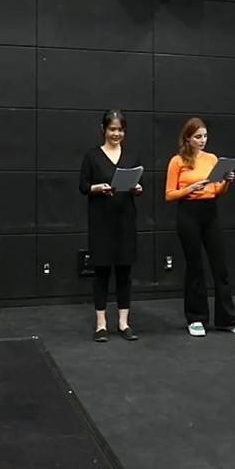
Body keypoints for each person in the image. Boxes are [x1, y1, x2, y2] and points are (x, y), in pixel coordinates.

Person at [164, 117, 235, 337]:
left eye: (204, 136)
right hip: (188, 213)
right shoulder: (177, 161)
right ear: (188, 138)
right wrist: (190, 189)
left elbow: (216, 191)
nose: (202, 140)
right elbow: (169, 194)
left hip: (210, 212)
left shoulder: (212, 159)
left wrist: (226, 181)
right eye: (198, 137)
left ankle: (228, 319)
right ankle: (196, 318)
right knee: (195, 267)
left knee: (220, 266)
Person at [78, 110, 142, 342]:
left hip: (125, 219)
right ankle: (101, 324)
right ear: (103, 129)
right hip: (101, 221)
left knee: (125, 272)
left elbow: (139, 184)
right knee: (102, 273)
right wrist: (98, 188)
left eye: (120, 130)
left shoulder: (132, 156)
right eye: (112, 129)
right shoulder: (92, 156)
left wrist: (137, 188)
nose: (116, 133)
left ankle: (124, 323)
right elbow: (83, 185)